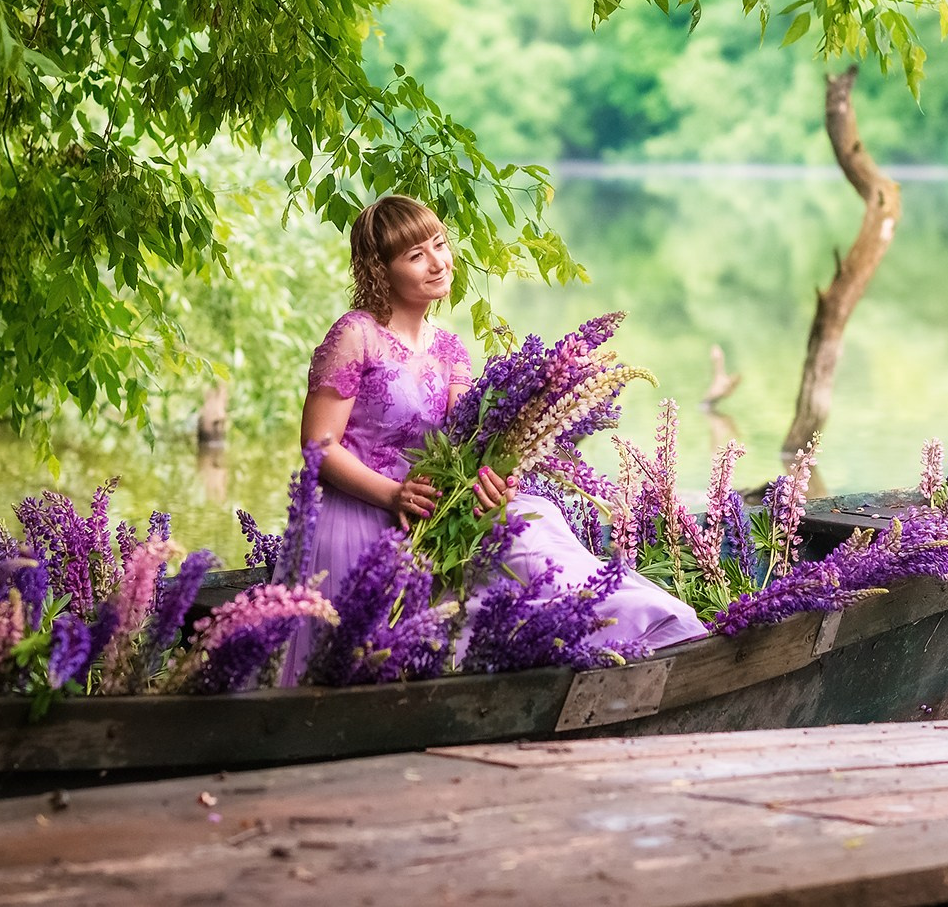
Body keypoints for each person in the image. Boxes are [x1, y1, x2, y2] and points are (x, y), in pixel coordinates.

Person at [297, 194, 706, 670]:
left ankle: (641, 627)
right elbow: (316, 445)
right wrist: (393, 495)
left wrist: (489, 478)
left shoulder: (448, 349)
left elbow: (468, 441)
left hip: (432, 512)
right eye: (416, 255)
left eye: (440, 244)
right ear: (380, 270)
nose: (437, 263)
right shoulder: (356, 334)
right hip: (365, 513)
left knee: (534, 520)